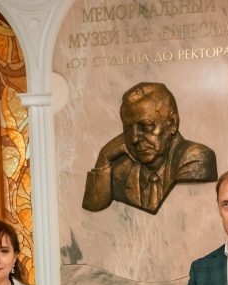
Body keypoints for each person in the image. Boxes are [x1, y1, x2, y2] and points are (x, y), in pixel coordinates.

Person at [82, 82, 217, 214]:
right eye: (128, 129)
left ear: (172, 123)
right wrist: (103, 157)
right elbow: (93, 208)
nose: (134, 138)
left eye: (145, 126)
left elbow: (180, 213)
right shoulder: (121, 170)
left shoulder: (195, 157)